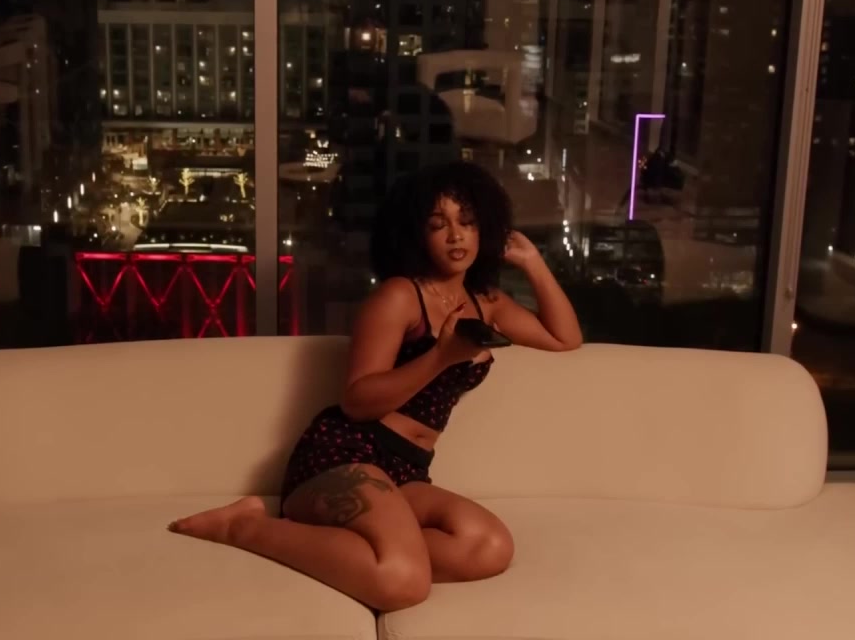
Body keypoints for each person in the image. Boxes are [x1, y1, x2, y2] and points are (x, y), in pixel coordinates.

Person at [169, 161, 583, 611]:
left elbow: (565, 339)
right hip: (346, 455)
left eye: (467, 222)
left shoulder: (489, 303)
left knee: (489, 547)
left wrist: (533, 262)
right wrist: (441, 357)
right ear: (415, 234)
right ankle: (243, 526)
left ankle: (360, 548)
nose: (455, 235)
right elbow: (357, 401)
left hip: (408, 470)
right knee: (401, 584)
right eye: (438, 224)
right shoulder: (399, 296)